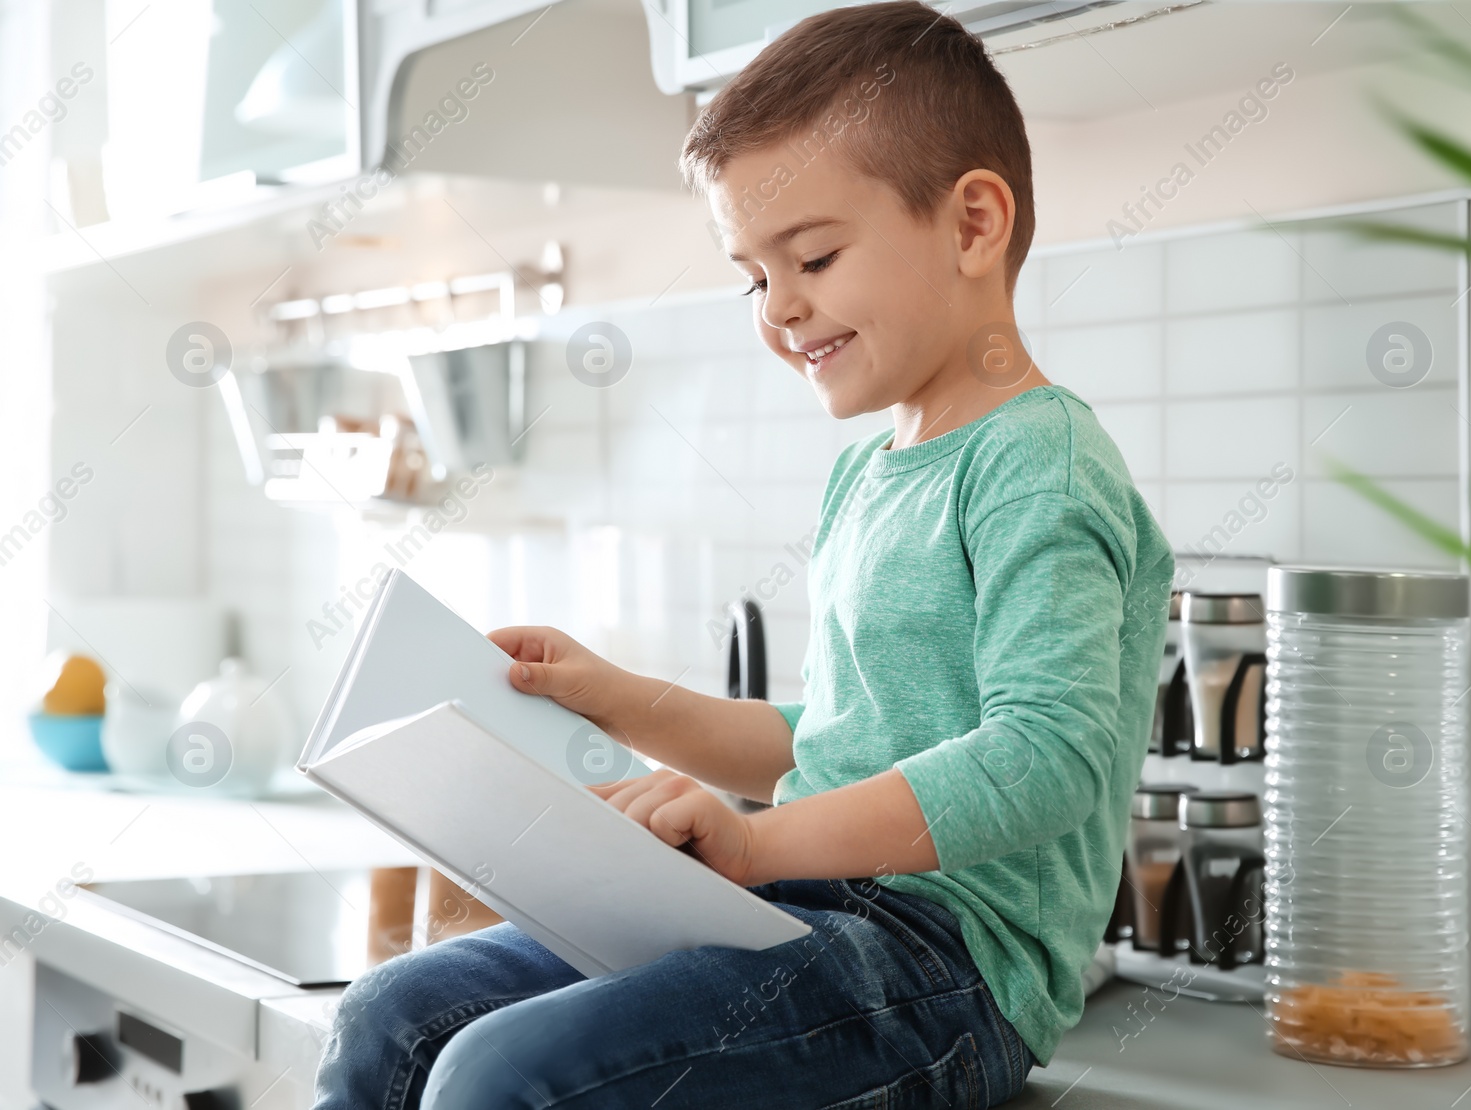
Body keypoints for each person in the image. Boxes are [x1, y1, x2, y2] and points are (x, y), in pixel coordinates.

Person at [313, 2, 1173, 1106]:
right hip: (815, 910)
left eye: (810, 255)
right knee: (391, 1015)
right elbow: (833, 746)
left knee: (498, 1074)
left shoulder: (1037, 464)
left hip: (950, 970)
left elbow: (1048, 757)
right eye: (752, 275)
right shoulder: (868, 475)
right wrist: (618, 699)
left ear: (971, 225)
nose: (778, 308)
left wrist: (760, 850)